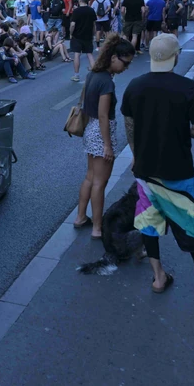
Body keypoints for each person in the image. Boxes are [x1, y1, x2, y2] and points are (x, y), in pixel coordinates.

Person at [121, 33, 194, 304]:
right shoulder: (188, 88)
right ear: (176, 56)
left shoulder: (134, 86)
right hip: (178, 172)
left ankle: (158, 278)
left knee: (149, 224)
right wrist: (183, 131)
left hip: (146, 171)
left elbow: (130, 126)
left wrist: (136, 154)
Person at [73, 34, 135, 238]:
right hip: (101, 132)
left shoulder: (93, 74)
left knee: (90, 177)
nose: (126, 67)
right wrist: (108, 145)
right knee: (100, 182)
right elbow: (103, 115)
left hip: (90, 129)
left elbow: (88, 106)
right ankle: (97, 228)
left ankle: (81, 217)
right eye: (125, 63)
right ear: (114, 57)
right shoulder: (107, 82)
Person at [69, 0, 97, 82]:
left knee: (77, 54)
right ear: (87, 1)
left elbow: (73, 24)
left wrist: (70, 33)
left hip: (77, 36)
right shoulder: (91, 10)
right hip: (88, 35)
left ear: (79, 1)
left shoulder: (76, 11)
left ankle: (76, 75)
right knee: (89, 54)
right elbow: (94, 24)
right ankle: (95, 72)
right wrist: (93, 33)